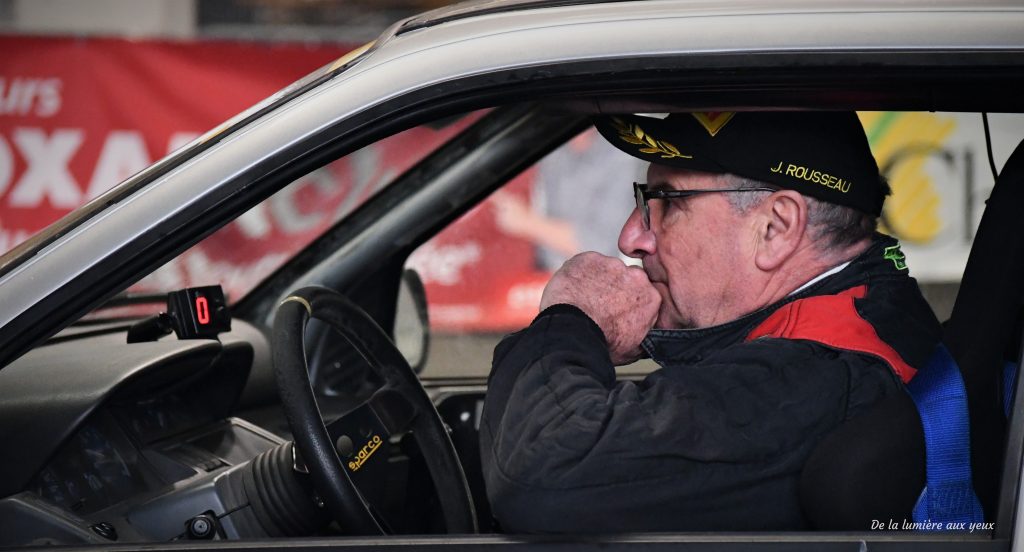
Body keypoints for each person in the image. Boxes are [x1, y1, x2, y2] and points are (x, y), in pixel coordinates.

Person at [478, 111, 942, 532]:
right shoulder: (872, 312)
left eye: (667, 201)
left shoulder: (806, 378)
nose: (630, 238)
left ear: (775, 228)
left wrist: (572, 319)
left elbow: (541, 472)